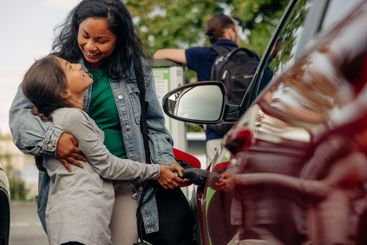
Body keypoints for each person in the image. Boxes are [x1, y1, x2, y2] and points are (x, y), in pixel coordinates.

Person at [9, 0, 183, 244]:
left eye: (102, 41)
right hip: (76, 190)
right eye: (85, 36)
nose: (90, 46)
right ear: (76, 28)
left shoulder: (137, 69)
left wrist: (165, 163)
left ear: (119, 39)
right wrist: (53, 140)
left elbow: (153, 125)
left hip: (125, 184)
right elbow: (19, 117)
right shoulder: (55, 67)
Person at [153, 13, 242, 164]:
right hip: (245, 136)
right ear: (230, 31)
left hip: (216, 137)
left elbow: (159, 54)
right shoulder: (250, 58)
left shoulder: (203, 55)